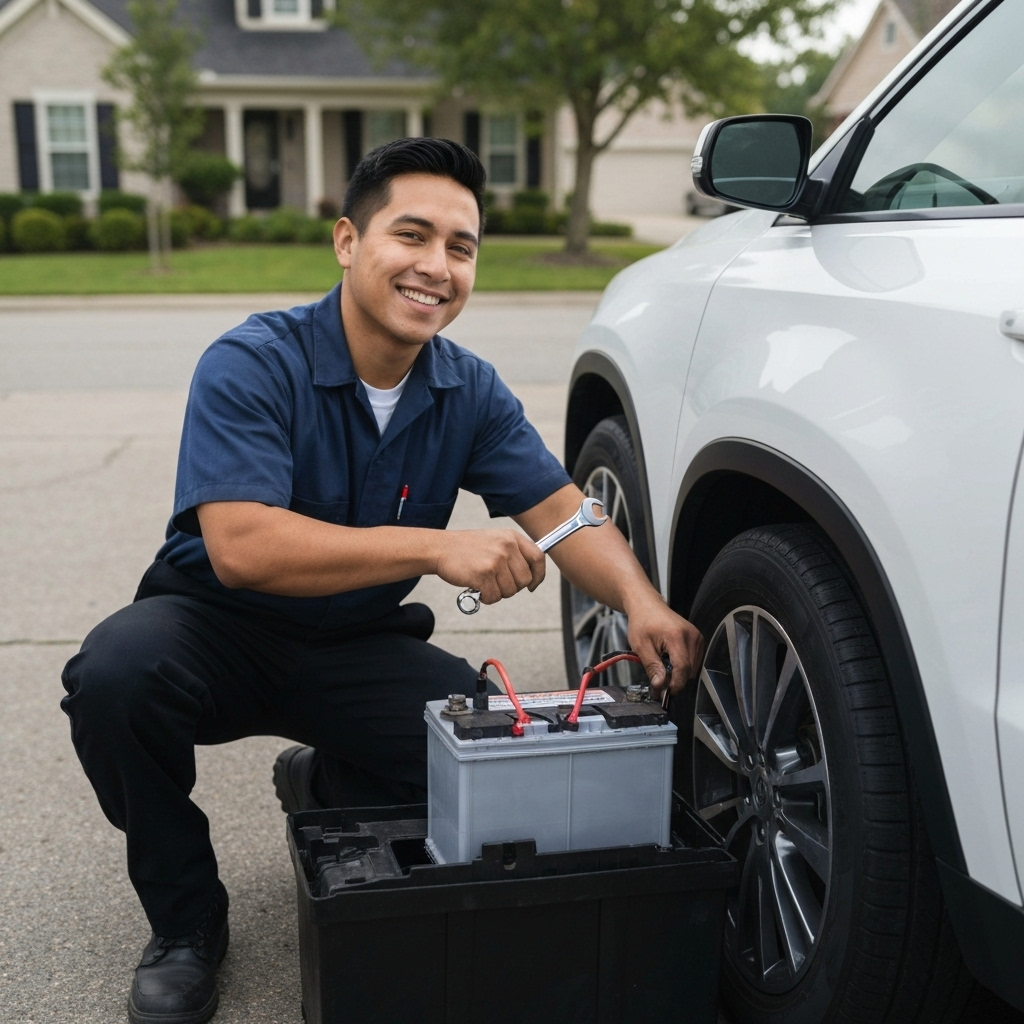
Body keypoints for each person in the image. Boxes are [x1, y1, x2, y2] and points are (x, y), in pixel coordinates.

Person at [60, 138, 704, 1024]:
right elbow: (243, 545)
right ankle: (186, 920)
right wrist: (435, 550)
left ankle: (324, 783)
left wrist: (639, 601)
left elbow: (562, 514)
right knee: (114, 678)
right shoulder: (253, 361)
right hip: (215, 628)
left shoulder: (467, 389)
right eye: (413, 235)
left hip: (358, 645)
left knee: (492, 762)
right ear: (347, 242)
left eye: (462, 247)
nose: (437, 267)